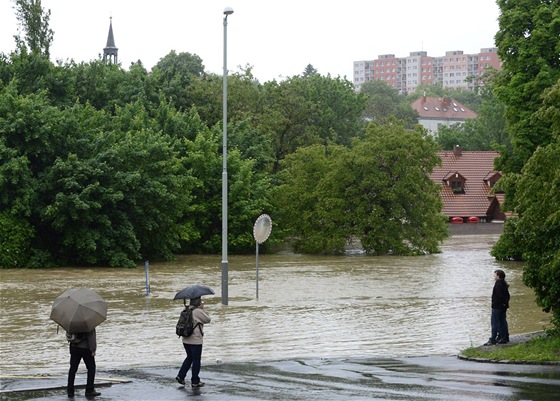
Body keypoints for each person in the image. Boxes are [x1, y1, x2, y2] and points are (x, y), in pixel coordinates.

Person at [175, 297, 211, 388]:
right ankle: (195, 381)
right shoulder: (198, 311)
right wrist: (203, 309)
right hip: (195, 340)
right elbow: (208, 319)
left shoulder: (186, 309)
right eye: (200, 300)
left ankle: (181, 376)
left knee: (189, 358)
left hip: (185, 338)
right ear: (198, 302)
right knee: (196, 360)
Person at [66, 329, 100, 398]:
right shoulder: (89, 324)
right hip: (85, 348)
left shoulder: (72, 322)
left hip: (74, 347)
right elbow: (91, 337)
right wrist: (93, 350)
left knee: (73, 369)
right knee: (91, 368)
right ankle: (89, 390)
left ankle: (70, 391)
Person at [485, 269, 510, 345]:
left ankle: (493, 338)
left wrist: (501, 303)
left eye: (495, 275)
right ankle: (504, 337)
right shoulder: (504, 283)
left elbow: (499, 296)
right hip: (503, 306)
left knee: (494, 323)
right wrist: (505, 304)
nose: (494, 276)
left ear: (498, 275)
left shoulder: (498, 284)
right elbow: (507, 295)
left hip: (497, 306)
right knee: (502, 322)